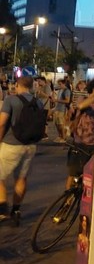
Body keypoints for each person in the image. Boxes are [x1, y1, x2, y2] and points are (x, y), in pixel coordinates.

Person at [0, 76, 45, 225]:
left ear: (17, 85)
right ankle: (16, 210)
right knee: (21, 178)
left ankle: (2, 208)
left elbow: (2, 123)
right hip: (30, 145)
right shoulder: (37, 102)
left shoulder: (11, 100)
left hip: (11, 144)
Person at [67, 78, 94, 189]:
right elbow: (80, 106)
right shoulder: (84, 98)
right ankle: (67, 200)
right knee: (73, 173)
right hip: (81, 140)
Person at [53, 78, 72, 143]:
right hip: (57, 108)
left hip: (62, 109)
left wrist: (56, 100)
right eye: (58, 84)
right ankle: (60, 136)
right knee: (56, 123)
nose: (59, 85)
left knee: (61, 124)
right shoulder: (60, 90)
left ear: (64, 84)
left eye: (60, 84)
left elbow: (67, 101)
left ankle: (63, 138)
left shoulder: (67, 91)